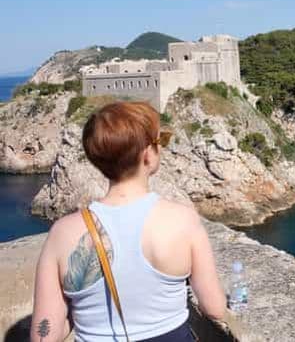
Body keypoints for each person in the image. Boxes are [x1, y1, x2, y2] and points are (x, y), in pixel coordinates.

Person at [31, 101, 227, 341]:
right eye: (160, 141)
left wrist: (81, 308)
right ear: (147, 154)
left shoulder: (62, 233)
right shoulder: (182, 220)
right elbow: (214, 308)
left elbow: (44, 334)